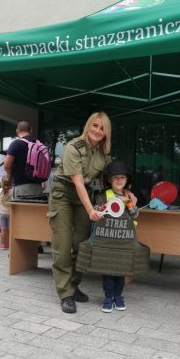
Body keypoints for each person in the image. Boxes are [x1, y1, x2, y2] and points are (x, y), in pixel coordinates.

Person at [48, 112, 112, 314]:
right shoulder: (73, 147)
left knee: (81, 245)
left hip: (85, 197)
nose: (97, 131)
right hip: (63, 195)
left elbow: (107, 181)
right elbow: (77, 182)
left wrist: (126, 193)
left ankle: (73, 285)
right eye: (95, 126)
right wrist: (91, 209)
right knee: (63, 244)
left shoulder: (104, 153)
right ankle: (65, 293)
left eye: (102, 128)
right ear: (88, 126)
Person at [95, 161, 138, 312]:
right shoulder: (102, 196)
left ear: (127, 180)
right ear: (109, 180)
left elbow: (135, 215)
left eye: (122, 177)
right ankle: (108, 297)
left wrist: (130, 204)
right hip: (107, 239)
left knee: (120, 269)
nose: (119, 180)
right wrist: (108, 205)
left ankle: (118, 296)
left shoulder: (129, 197)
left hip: (123, 240)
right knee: (107, 270)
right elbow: (97, 212)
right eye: (116, 178)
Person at [4, 121, 42, 198]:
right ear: (30, 130)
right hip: (38, 187)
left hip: (21, 187)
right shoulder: (38, 144)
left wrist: (10, 173)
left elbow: (6, 166)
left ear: (17, 130)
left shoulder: (16, 143)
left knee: (21, 210)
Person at [0, 175, 12, 250]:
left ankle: (2, 244)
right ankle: (8, 244)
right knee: (8, 229)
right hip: (9, 213)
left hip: (1, 213)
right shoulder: (12, 191)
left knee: (3, 230)